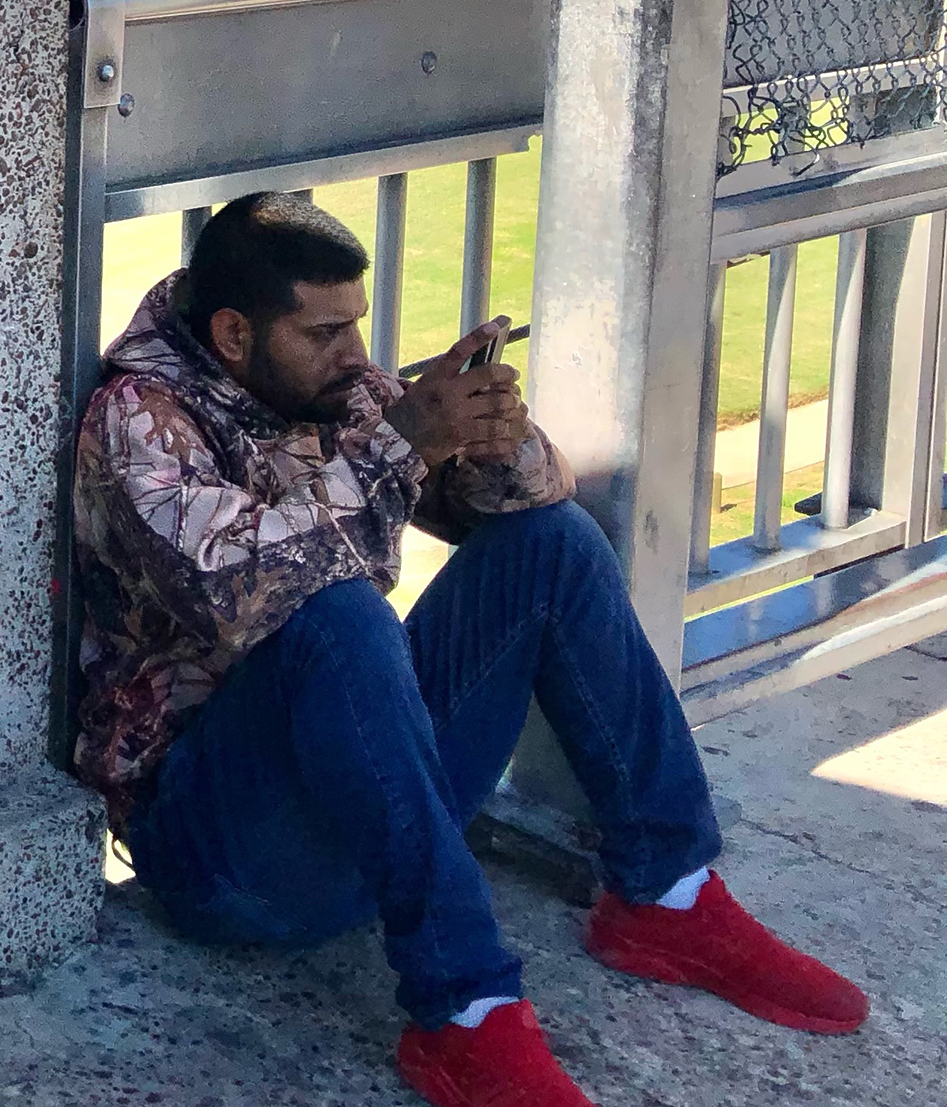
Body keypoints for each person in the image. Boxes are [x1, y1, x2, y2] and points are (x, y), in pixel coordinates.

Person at [72, 193, 865, 1107]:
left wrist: (489, 437)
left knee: (552, 545)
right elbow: (235, 593)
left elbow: (531, 501)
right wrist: (402, 442)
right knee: (338, 617)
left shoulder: (337, 388)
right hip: (225, 859)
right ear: (234, 333)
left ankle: (666, 894)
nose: (355, 356)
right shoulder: (137, 418)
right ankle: (467, 1011)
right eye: (324, 333)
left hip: (367, 802)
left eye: (357, 326)